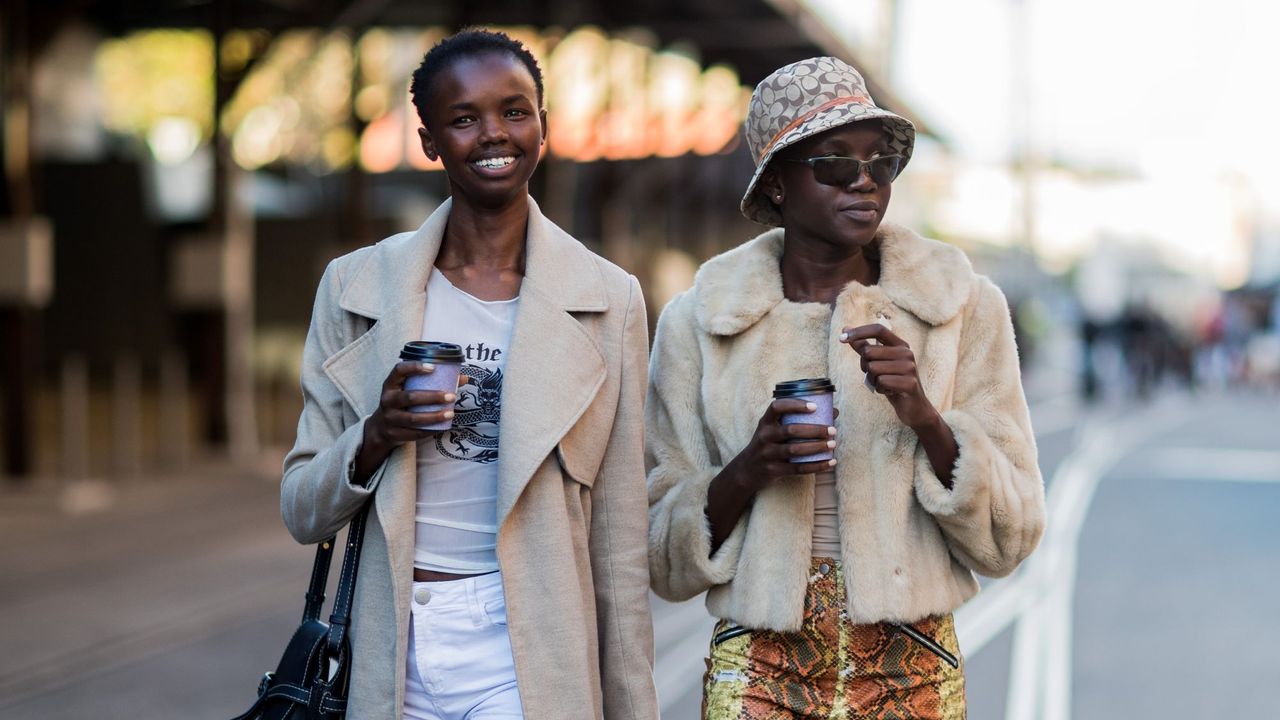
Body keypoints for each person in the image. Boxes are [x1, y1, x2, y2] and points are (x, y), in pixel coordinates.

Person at [646, 57, 1045, 719]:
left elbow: (1012, 537)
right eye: (834, 163)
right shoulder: (701, 321)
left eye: (880, 161)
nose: (864, 183)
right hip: (762, 670)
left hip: (909, 667)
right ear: (777, 183)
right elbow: (663, 556)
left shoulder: (958, 308)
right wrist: (750, 467)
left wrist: (924, 417)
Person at [281, 28, 658, 719]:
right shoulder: (355, 288)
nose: (494, 134)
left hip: (529, 647)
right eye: (464, 119)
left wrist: (633, 707)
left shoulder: (610, 299)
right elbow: (302, 508)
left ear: (545, 128)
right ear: (428, 142)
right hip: (389, 641)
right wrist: (376, 434)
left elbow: (621, 540)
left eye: (515, 111)